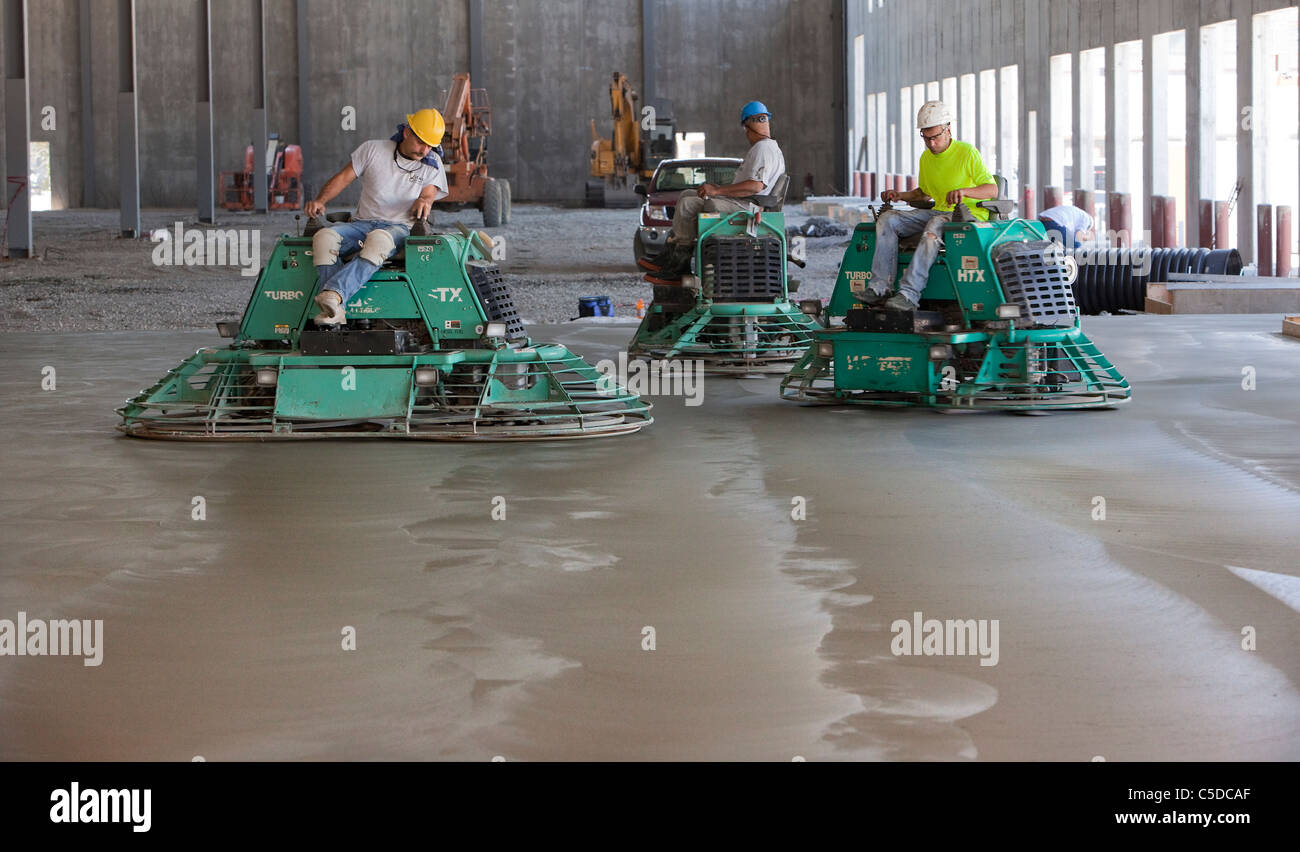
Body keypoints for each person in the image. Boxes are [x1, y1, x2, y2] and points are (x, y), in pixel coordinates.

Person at [304, 109, 450, 325]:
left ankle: (333, 297)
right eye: (421, 142)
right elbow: (344, 178)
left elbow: (429, 193)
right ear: (407, 132)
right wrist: (320, 200)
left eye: (430, 145)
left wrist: (424, 201)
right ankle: (335, 312)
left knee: (379, 240)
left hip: (399, 228)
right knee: (324, 238)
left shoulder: (432, 162)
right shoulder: (373, 149)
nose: (425, 149)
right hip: (362, 224)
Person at [858, 100, 997, 311]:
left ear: (948, 129)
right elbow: (924, 194)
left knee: (935, 223)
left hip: (967, 215)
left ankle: (909, 295)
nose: (931, 143)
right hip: (939, 211)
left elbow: (992, 190)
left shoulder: (967, 153)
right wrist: (900, 195)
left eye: (935, 137)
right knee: (889, 219)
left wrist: (964, 192)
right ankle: (880, 288)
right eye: (926, 138)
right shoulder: (926, 158)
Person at [638, 100, 786, 283]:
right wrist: (717, 190)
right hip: (745, 202)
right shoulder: (769, 148)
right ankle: (670, 255)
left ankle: (678, 265)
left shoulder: (763, 149)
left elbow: (755, 186)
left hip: (748, 207)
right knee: (686, 194)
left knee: (687, 203)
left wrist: (717, 191)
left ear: (748, 126)